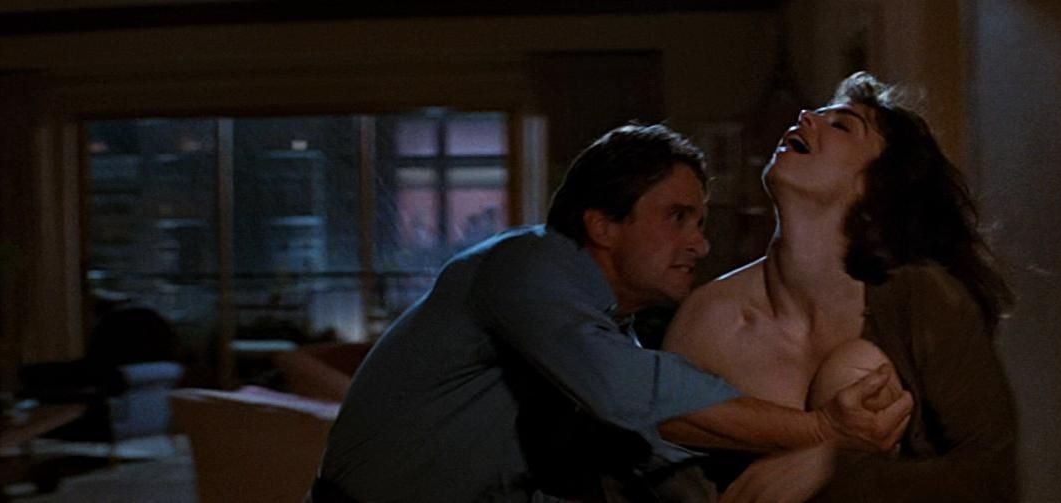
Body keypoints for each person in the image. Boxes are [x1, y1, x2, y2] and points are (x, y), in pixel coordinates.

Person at [312, 123, 913, 502]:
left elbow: (651, 440)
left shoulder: (603, 327)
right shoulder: (521, 268)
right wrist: (822, 430)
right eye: (677, 218)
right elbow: (632, 394)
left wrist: (816, 459)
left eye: (700, 222)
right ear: (602, 224)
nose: (700, 245)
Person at [663, 72, 1018, 502]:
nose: (805, 116)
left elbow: (993, 476)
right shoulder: (710, 319)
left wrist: (833, 466)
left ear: (874, 184)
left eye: (842, 125)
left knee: (854, 367)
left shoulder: (923, 300)